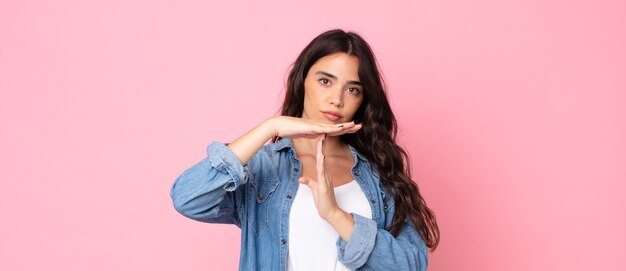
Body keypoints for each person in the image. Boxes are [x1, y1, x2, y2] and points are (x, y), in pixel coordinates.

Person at [170, 29, 440, 270]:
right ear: (302, 81)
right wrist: (270, 127)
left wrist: (336, 214)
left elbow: (411, 265)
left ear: (363, 99)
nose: (336, 99)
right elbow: (187, 199)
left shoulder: (378, 175)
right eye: (325, 81)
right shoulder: (263, 169)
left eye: (353, 89)